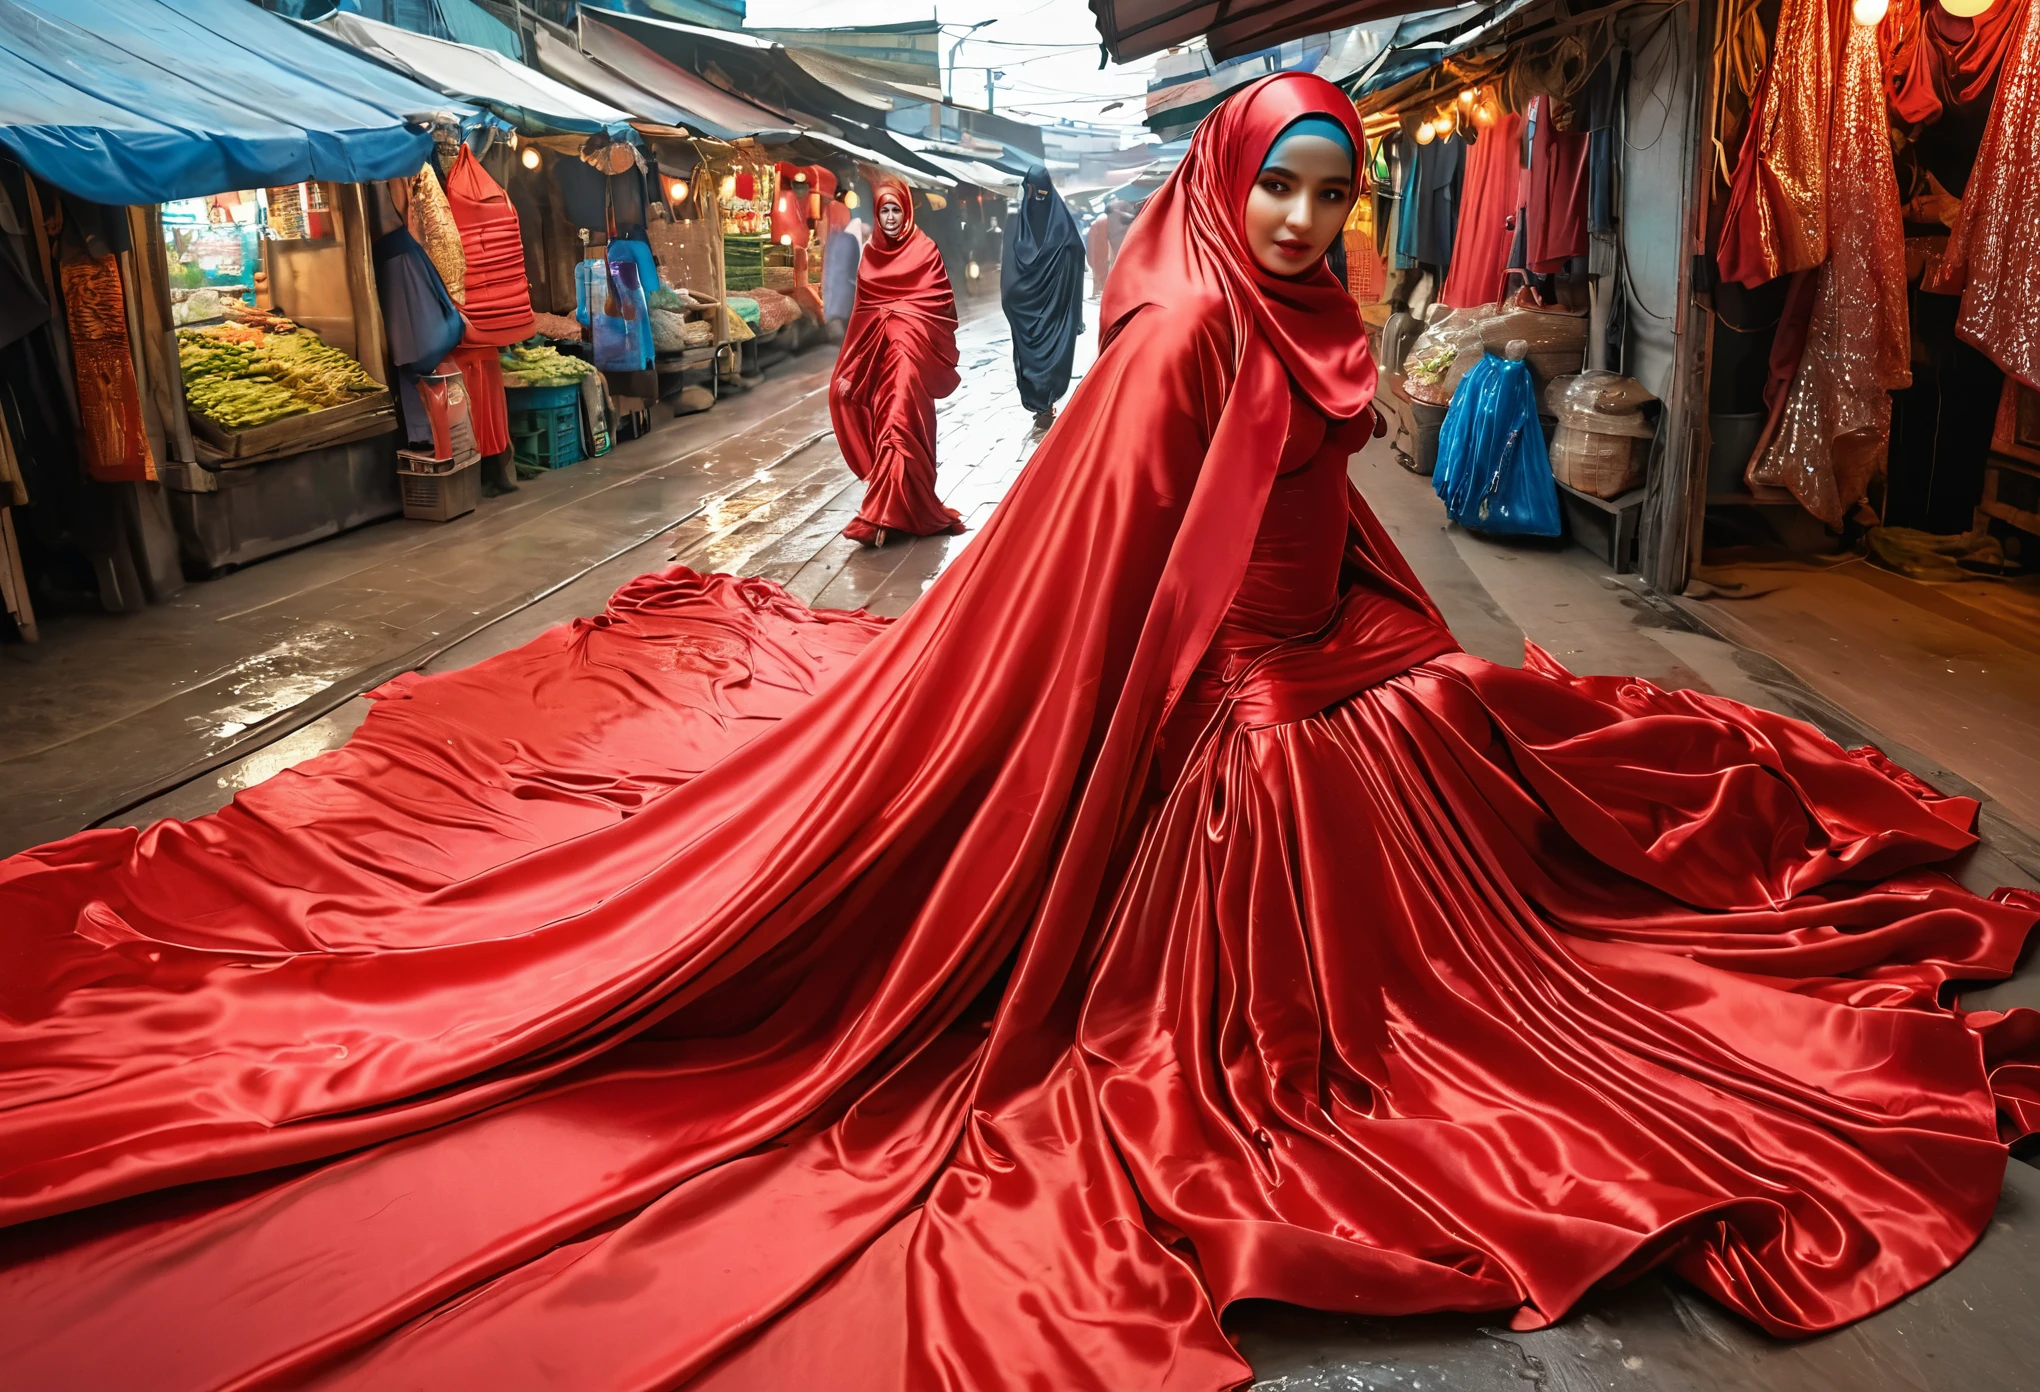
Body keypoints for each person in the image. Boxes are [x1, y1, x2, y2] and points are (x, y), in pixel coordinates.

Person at [0, 75, 2034, 1392]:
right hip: (1222, 704)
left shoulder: (1295, 311)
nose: (1318, 224)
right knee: (1313, 800)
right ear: (1229, 188)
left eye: (1338, 193)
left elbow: (1310, 526)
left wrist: (1367, 647)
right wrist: (1157, 716)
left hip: (1323, 661)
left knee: (1486, 740)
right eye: (1290, 190)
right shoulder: (1171, 341)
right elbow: (1114, 579)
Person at [827, 177, 963, 545]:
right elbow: (862, 315)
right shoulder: (870, 253)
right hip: (880, 360)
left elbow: (941, 306)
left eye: (896, 209)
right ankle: (888, 513)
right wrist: (851, 369)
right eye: (884, 210)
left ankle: (889, 514)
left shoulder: (926, 250)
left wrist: (904, 318)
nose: (889, 217)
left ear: (907, 211)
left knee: (901, 429)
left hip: (911, 363)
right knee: (887, 429)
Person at [1000, 164, 1086, 430]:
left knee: (1052, 359)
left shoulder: (1064, 230)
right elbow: (1008, 269)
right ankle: (1041, 405)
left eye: (1042, 193)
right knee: (1030, 361)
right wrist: (1013, 302)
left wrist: (1074, 314)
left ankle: (1046, 404)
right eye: (1032, 192)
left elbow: (1076, 258)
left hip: (1056, 311)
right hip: (1025, 311)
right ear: (1025, 191)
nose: (1037, 198)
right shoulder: (1015, 224)